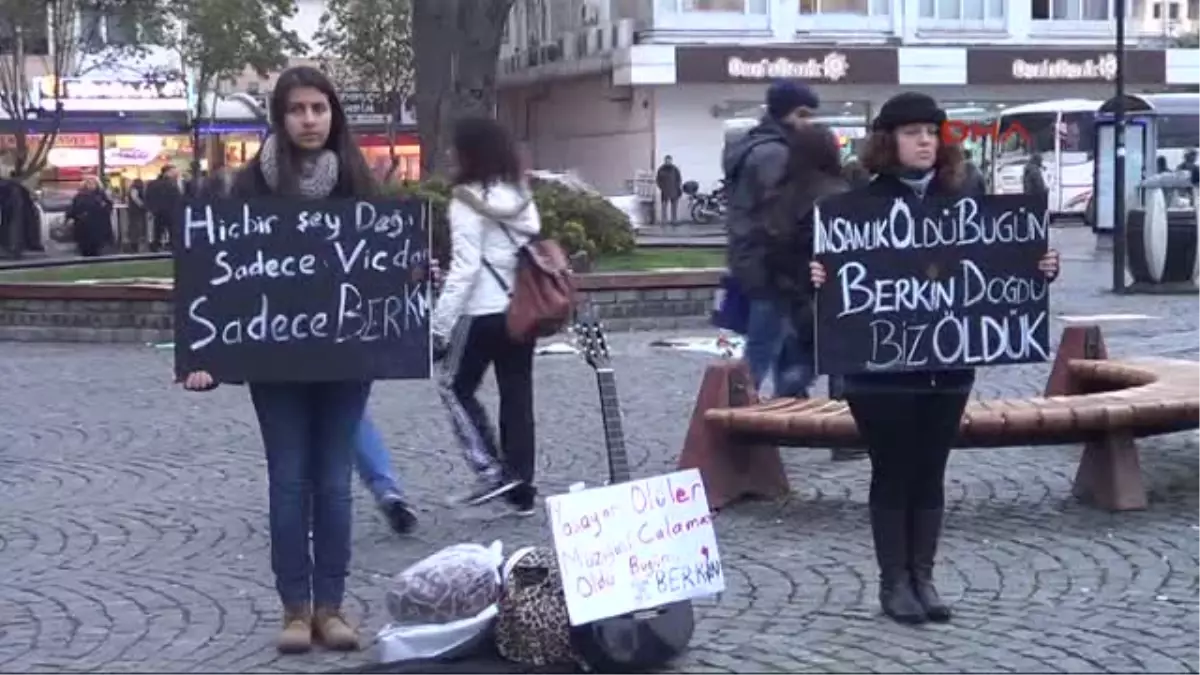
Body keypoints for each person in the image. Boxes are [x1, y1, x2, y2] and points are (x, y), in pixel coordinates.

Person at [808, 92, 1061, 626]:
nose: (924, 141)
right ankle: (893, 582)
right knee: (892, 469)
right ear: (888, 141)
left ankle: (923, 577)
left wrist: (1038, 265)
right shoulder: (855, 203)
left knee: (930, 469)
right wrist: (815, 276)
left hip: (947, 361)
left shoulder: (964, 195)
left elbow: (997, 260)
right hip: (878, 367)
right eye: (911, 132)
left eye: (931, 132)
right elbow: (820, 272)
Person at [181, 65, 378, 654]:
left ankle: (331, 607)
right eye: (297, 109)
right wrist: (204, 357)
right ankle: (295, 608)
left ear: (333, 114)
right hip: (276, 360)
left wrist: (415, 275)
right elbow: (218, 279)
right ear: (280, 117)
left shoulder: (359, 182)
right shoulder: (249, 188)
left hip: (345, 357)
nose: (309, 120)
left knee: (335, 484)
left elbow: (384, 265)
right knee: (289, 481)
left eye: (319, 108)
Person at [431, 116, 540, 515]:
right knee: (517, 396)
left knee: (452, 385)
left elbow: (465, 269)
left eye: (455, 146)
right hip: (521, 309)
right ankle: (521, 487)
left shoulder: (466, 201)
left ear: (470, 152)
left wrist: (439, 326)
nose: (449, 152)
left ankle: (490, 470)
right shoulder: (520, 194)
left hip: (480, 312)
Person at [723, 79, 818, 397]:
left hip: (757, 259)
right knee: (764, 344)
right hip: (771, 265)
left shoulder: (756, 146)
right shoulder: (774, 154)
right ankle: (737, 406)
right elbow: (781, 214)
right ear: (783, 113)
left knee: (784, 341)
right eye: (802, 114)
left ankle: (791, 402)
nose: (808, 123)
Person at [762, 123, 846, 401]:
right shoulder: (838, 193)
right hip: (831, 293)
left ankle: (786, 410)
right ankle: (843, 418)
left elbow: (771, 244)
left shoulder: (779, 193)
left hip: (790, 291)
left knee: (794, 369)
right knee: (841, 367)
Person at [64, 176, 113, 257]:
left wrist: (104, 207)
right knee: (85, 249)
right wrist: (70, 217)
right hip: (83, 227)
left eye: (93, 183)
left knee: (97, 249)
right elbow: (73, 208)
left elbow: (108, 207)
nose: (91, 185)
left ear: (97, 184)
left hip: (98, 226)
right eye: (88, 183)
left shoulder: (101, 195)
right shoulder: (80, 196)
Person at [146, 164, 182, 251]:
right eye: (173, 172)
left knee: (158, 229)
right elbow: (177, 197)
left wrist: (150, 208)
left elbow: (148, 196)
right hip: (170, 210)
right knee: (171, 229)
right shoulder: (172, 184)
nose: (175, 174)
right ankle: (171, 245)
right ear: (167, 172)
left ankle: (155, 246)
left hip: (158, 211)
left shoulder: (153, 184)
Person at [655, 155, 683, 224]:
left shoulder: (675, 169)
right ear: (665, 161)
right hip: (665, 192)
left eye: (669, 160)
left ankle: (674, 220)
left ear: (671, 161)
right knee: (664, 207)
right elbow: (658, 180)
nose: (668, 162)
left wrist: (678, 187)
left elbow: (679, 179)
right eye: (667, 160)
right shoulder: (661, 169)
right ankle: (664, 220)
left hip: (674, 191)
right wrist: (661, 187)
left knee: (674, 207)